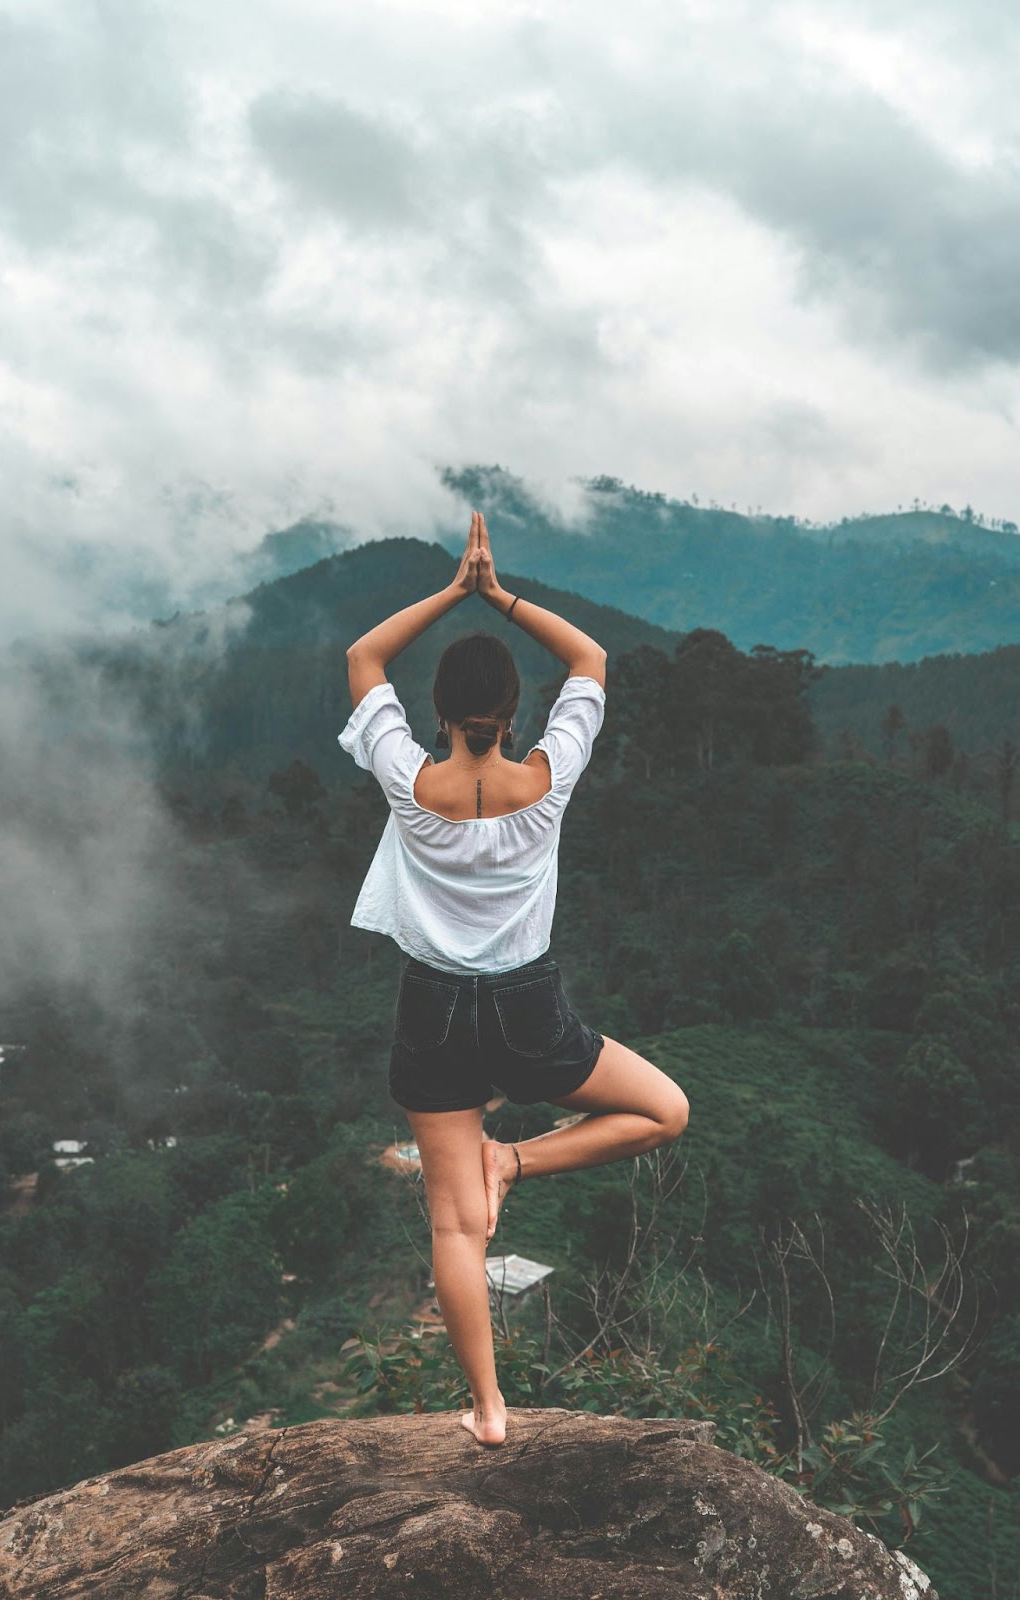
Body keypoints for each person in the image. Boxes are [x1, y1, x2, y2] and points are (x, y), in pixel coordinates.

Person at [338, 511, 690, 1447]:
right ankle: (520, 1160)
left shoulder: (408, 782)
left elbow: (364, 659)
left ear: (442, 715)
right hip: (531, 1013)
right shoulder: (550, 775)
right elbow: (594, 660)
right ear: (513, 712)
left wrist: (453, 591)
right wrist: (502, 596)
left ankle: (490, 1411)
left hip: (433, 1015)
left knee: (457, 1231)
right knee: (665, 1112)